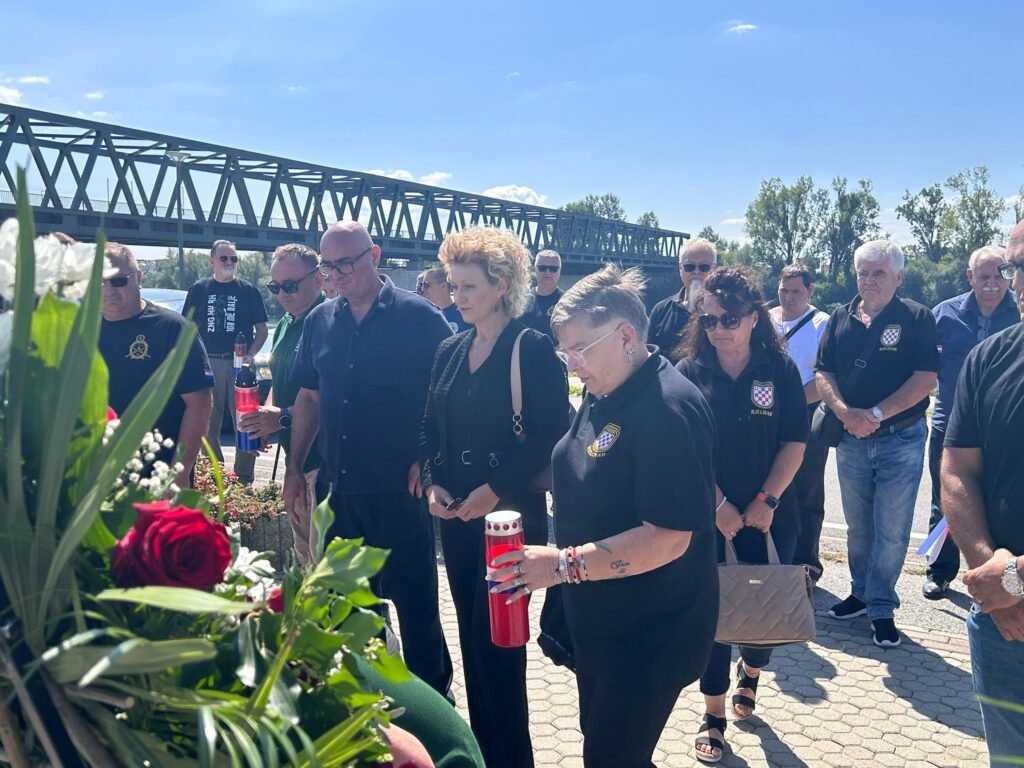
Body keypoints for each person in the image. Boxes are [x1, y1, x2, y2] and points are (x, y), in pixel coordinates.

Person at [490, 264, 718, 768]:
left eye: (580, 349)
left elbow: (667, 538)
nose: (572, 364)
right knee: (606, 746)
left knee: (611, 756)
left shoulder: (668, 409)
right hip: (602, 621)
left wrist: (560, 565)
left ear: (626, 336)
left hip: (648, 634)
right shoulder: (606, 389)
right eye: (564, 352)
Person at [419, 227, 569, 768]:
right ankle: (484, 756)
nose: (456, 296)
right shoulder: (449, 349)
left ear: (502, 285)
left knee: (501, 651)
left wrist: (495, 488)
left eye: (468, 286)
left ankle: (512, 759)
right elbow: (428, 430)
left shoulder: (531, 347)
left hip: (508, 524)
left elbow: (553, 434)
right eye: (453, 284)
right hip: (459, 519)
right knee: (473, 646)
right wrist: (433, 483)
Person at [285, 221, 454, 697]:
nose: (337, 275)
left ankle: (435, 707)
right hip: (339, 496)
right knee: (351, 615)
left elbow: (451, 396)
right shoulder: (320, 321)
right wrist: (294, 469)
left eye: (346, 264)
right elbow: (309, 399)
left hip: (400, 494)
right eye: (328, 267)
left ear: (375, 255)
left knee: (418, 613)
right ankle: (369, 704)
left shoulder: (421, 318)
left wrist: (430, 455)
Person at [675, 266, 807, 764]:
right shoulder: (688, 372)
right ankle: (713, 715)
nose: (718, 329)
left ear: (754, 317)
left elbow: (795, 441)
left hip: (771, 516)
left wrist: (766, 501)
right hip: (707, 518)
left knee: (763, 611)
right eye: (708, 320)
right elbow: (683, 449)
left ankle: (751, 671)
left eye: (729, 318)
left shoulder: (780, 371)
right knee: (711, 619)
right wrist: (718, 507)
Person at [815, 240, 938, 648]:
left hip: (900, 437)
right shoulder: (840, 317)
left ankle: (882, 605)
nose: (869, 280)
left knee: (892, 529)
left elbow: (925, 378)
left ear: (898, 277)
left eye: (879, 273)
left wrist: (876, 414)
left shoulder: (917, 317)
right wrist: (845, 413)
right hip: (851, 437)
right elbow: (823, 372)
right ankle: (860, 593)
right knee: (858, 528)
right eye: (863, 273)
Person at [943, 223, 1024, 763]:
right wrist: (990, 574)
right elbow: (958, 469)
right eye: (1018, 266)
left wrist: (1016, 579)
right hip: (1003, 622)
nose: (1020, 281)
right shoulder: (989, 358)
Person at [923, 245, 1016, 600]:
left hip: (1004, 429)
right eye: (983, 276)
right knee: (947, 499)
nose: (991, 284)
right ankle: (940, 571)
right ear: (969, 277)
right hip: (951, 425)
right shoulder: (943, 315)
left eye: (998, 276)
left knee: (1002, 501)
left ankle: (1002, 573)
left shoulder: (1018, 312)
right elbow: (924, 367)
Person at [238, 243, 326, 565]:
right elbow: (279, 378)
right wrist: (266, 418)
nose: (282, 295)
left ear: (318, 279)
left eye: (290, 285)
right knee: (305, 556)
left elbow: (328, 397)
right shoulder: (287, 323)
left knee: (324, 561)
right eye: (275, 287)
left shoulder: (329, 321)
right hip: (296, 459)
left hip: (323, 462)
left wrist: (282, 418)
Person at [99, 242, 213, 487]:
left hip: (156, 477)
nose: (108, 290)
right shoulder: (82, 331)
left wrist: (179, 473)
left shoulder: (172, 328)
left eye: (118, 281)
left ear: (138, 278)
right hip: (95, 478)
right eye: (100, 281)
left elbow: (199, 403)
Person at [182, 239, 268, 485]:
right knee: (207, 423)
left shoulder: (248, 290)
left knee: (246, 420)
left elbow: (262, 330)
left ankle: (243, 478)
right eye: (224, 258)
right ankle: (217, 476)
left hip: (241, 365)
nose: (229, 262)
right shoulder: (199, 289)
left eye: (233, 258)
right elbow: (186, 327)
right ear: (212, 261)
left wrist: (251, 354)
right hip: (209, 363)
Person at [770, 264, 830, 581]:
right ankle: (773, 557)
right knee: (771, 488)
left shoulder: (823, 324)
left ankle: (807, 563)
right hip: (767, 415)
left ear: (810, 291)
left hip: (807, 413)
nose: (789, 297)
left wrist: (789, 404)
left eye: (796, 291)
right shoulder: (765, 320)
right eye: (784, 290)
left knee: (807, 491)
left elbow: (825, 378)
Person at [648, 237, 717, 363]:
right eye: (689, 267)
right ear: (680, 268)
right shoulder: (661, 310)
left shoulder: (724, 312)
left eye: (704, 267)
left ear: (714, 269)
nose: (696, 272)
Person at [518, 249, 563, 340]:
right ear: (535, 269)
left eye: (553, 269)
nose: (547, 272)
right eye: (542, 268)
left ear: (559, 271)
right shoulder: (522, 298)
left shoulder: (566, 302)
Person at [418, 267, 470, 332]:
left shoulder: (465, 313)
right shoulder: (423, 315)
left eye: (426, 285)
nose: (423, 289)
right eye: (422, 285)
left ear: (443, 286)